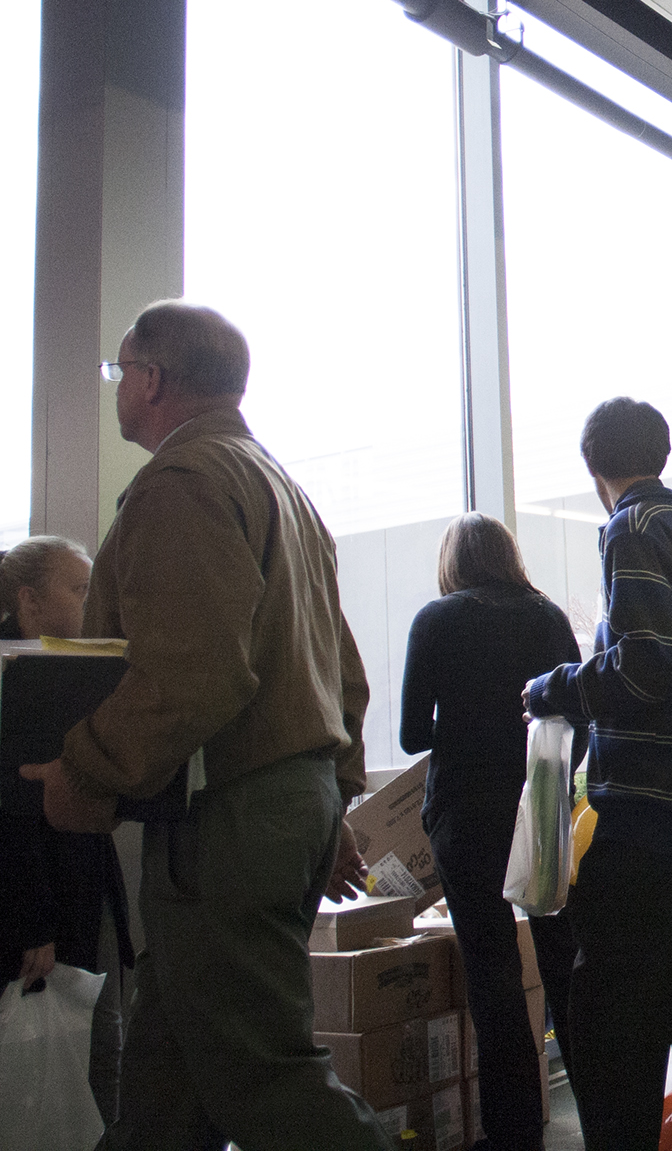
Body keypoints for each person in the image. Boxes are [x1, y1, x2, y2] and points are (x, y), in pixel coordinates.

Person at [20, 300, 391, 1150]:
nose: (118, 386)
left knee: (268, 1078)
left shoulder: (183, 484)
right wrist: (334, 803)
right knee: (165, 1086)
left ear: (152, 380)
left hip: (228, 817)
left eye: (120, 371)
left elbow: (196, 674)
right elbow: (343, 675)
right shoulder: (278, 486)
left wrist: (85, 768)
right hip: (282, 805)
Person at [523, 397, 672, 1151]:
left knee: (608, 1027)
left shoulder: (629, 528)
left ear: (592, 465)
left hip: (645, 807)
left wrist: (557, 684)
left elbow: (652, 658)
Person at [401, 514, 581, 1151]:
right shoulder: (548, 617)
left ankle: (514, 1134)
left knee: (493, 973)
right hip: (540, 810)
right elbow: (577, 719)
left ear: (453, 561)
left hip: (465, 815)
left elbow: (410, 735)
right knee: (563, 963)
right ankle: (608, 1118)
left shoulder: (436, 620)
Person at [0, 536, 135, 1126]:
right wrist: (33, 923)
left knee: (103, 1037)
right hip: (44, 904)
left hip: (84, 885)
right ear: (29, 603)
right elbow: (11, 811)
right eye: (80, 590)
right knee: (78, 1051)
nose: (93, 602)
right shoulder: (18, 677)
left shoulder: (70, 668)